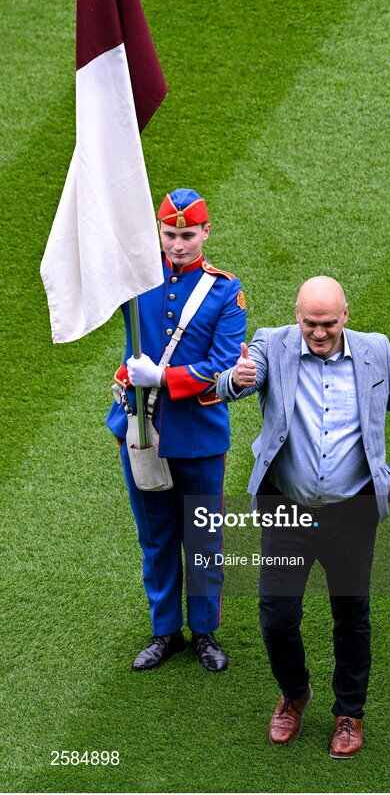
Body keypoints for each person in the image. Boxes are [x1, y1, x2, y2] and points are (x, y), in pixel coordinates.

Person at [216, 276, 390, 755]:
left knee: (351, 615)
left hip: (351, 513)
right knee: (276, 617)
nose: (319, 332)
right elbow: (235, 384)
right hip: (287, 511)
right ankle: (294, 694)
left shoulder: (377, 350)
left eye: (328, 323)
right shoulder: (272, 343)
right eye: (310, 322)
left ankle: (348, 713)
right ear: (297, 314)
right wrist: (235, 379)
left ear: (346, 315)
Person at [107, 188, 246, 673]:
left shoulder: (225, 290)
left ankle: (204, 632)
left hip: (197, 434)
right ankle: (165, 631)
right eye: (170, 234)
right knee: (157, 534)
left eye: (188, 235)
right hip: (142, 429)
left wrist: (163, 378)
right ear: (158, 233)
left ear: (206, 232)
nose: (178, 245)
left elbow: (225, 365)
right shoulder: (136, 277)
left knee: (203, 537)